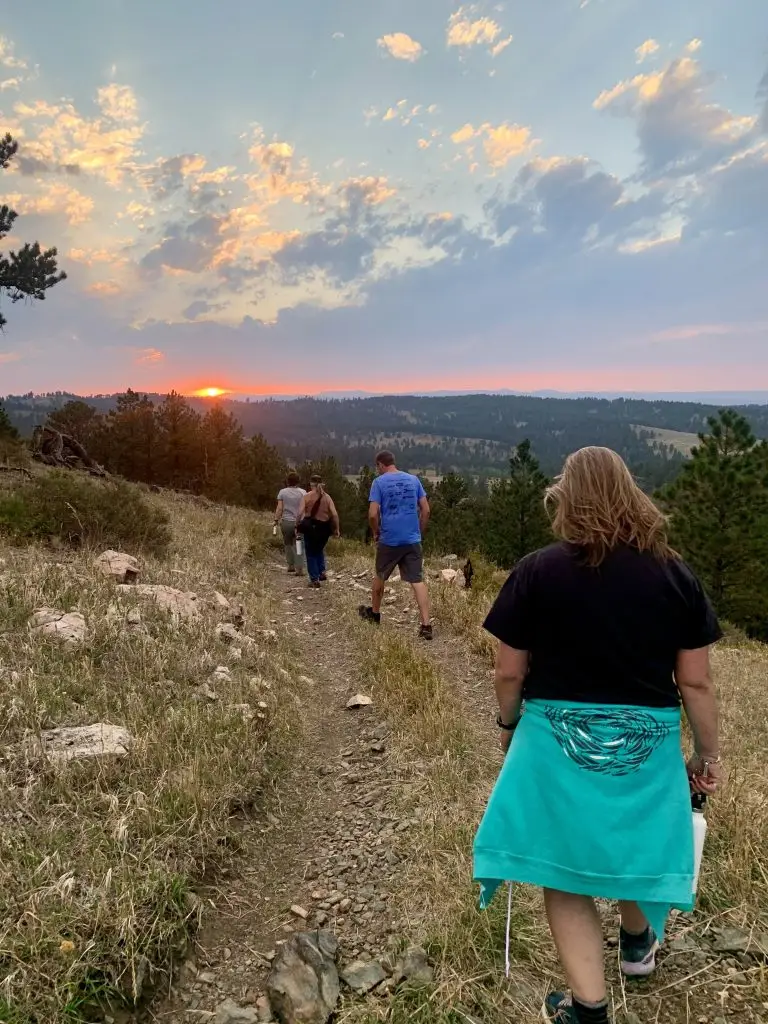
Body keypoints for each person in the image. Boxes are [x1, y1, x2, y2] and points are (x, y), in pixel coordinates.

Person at [472, 447, 723, 1024]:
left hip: (553, 736)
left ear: (567, 496)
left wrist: (510, 726)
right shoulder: (674, 572)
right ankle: (637, 946)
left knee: (564, 868)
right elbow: (697, 683)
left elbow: (509, 671)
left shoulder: (536, 570)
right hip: (649, 738)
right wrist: (705, 753)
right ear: (629, 492)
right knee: (634, 842)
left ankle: (588, 1008)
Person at [358, 450, 433, 640]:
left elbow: (373, 514)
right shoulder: (413, 480)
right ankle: (426, 625)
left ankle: (374, 614)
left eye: (377, 467)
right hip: (412, 539)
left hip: (389, 540)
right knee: (417, 580)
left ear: (380, 465)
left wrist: (376, 532)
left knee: (380, 575)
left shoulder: (379, 483)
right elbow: (426, 509)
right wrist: (419, 531)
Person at [297, 474, 340, 588]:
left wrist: (297, 525)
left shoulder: (307, 496)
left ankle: (314, 579)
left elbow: (300, 513)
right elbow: (334, 514)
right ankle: (321, 572)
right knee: (319, 549)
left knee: (310, 553)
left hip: (311, 527)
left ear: (311, 484)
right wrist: (336, 529)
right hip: (324, 528)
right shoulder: (327, 498)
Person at [274, 472, 306, 575]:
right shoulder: (303, 492)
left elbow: (279, 508)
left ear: (287, 481)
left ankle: (291, 565)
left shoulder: (282, 492)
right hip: (300, 522)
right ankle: (299, 568)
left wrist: (276, 519)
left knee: (287, 544)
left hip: (286, 521)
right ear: (298, 481)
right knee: (299, 545)